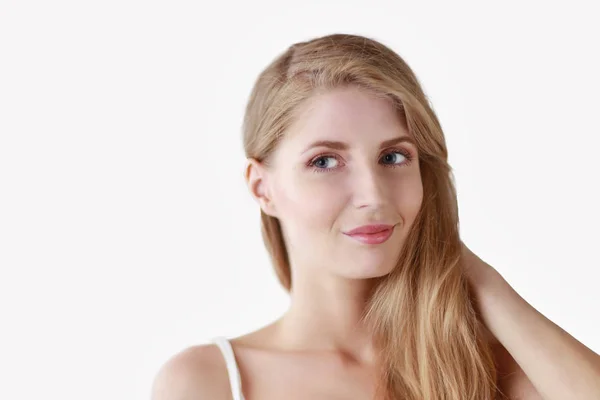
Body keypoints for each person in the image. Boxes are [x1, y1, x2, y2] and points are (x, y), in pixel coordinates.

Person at [151, 33, 600, 400]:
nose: (372, 194)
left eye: (393, 156)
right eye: (324, 161)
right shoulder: (209, 383)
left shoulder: (491, 373)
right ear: (261, 187)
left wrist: (480, 281)